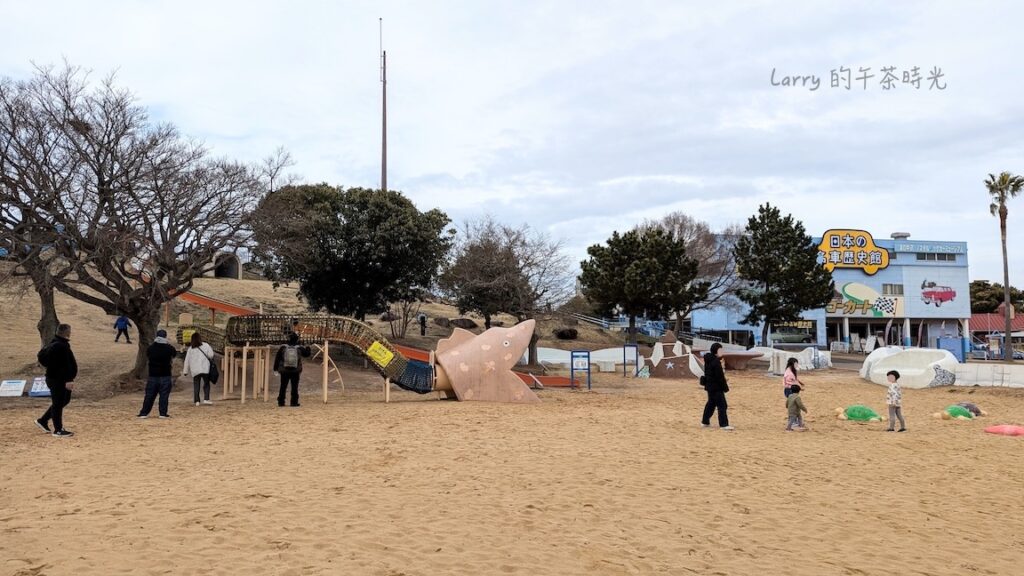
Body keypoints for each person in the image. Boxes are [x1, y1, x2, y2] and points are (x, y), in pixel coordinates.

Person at [36, 324, 78, 437]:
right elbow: (65, 365)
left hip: (56, 378)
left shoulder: (56, 343)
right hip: (58, 380)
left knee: (63, 401)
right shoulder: (60, 346)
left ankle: (43, 420)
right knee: (58, 403)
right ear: (67, 332)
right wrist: (69, 379)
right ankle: (58, 430)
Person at [138, 329, 178, 419]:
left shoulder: (151, 348)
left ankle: (144, 413)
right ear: (165, 336)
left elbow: (148, 355)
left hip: (153, 374)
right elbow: (174, 355)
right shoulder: (169, 348)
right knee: (164, 395)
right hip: (165, 374)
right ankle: (163, 413)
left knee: (149, 395)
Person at [700, 342, 733, 430]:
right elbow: (719, 377)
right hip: (716, 387)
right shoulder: (715, 362)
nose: (722, 351)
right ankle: (724, 424)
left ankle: (705, 421)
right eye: (720, 350)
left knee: (711, 404)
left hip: (710, 386)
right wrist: (725, 387)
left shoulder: (709, 359)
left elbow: (712, 374)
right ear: (716, 351)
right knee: (722, 405)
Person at [273, 333, 311, 407]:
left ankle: (281, 401)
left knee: (283, 386)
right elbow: (307, 354)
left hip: (284, 370)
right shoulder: (299, 348)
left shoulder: (283, 347)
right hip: (295, 370)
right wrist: (308, 347)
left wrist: (275, 369)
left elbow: (277, 358)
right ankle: (294, 402)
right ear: (297, 339)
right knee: (294, 387)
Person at [182, 332, 215, 406]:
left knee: (196, 384)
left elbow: (187, 360)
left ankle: (197, 401)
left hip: (195, 370)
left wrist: (185, 371)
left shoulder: (190, 349)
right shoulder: (206, 345)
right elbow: (211, 355)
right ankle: (206, 399)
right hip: (205, 368)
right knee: (206, 384)